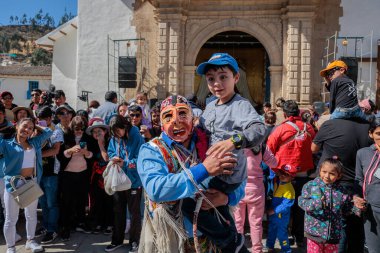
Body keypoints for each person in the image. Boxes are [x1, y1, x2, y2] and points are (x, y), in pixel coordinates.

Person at [137, 95, 246, 253]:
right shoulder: (151, 150)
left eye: (182, 113)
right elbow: (157, 189)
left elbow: (239, 179)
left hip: (210, 237)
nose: (176, 120)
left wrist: (226, 198)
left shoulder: (211, 144)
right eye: (168, 116)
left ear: (193, 118)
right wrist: (204, 170)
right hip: (171, 239)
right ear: (160, 124)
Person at [184, 53, 265, 253]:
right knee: (218, 214)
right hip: (212, 170)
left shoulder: (240, 105)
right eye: (211, 79)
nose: (217, 83)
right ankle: (235, 245)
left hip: (227, 174)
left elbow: (258, 129)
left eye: (223, 77)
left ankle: (230, 242)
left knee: (189, 205)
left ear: (236, 78)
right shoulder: (211, 104)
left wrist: (233, 141)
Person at [311, 118, 372, 253]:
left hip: (341, 184)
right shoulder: (367, 125)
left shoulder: (329, 124)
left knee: (342, 227)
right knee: (355, 227)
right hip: (358, 182)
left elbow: (313, 148)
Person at [267, 99, 316, 247]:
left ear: (285, 114)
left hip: (283, 175)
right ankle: (299, 236)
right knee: (300, 207)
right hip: (303, 173)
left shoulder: (280, 129)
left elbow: (269, 149)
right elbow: (315, 147)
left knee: (282, 204)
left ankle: (284, 233)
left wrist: (275, 171)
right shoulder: (309, 129)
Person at [1, 118, 52, 253]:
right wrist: (7, 128)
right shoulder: (6, 144)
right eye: (24, 127)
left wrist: (35, 126)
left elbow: (48, 131)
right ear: (17, 126)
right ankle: (11, 247)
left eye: (30, 128)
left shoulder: (34, 142)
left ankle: (30, 241)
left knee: (31, 214)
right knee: (11, 218)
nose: (27, 130)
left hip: (31, 182)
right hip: (13, 184)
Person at [299, 158, 359, 253]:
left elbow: (347, 209)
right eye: (324, 171)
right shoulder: (311, 186)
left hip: (333, 235)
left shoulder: (342, 191)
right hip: (314, 234)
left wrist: (357, 208)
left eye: (332, 174)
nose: (327, 176)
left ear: (338, 176)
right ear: (320, 171)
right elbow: (302, 202)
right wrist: (316, 203)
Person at [106, 115, 144, 252]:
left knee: (134, 213)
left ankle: (135, 241)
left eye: (118, 131)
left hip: (133, 180)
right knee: (118, 210)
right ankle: (117, 240)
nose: (117, 135)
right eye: (114, 133)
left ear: (124, 126)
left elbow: (141, 159)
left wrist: (126, 163)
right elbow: (110, 150)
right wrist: (113, 158)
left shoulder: (136, 136)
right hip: (118, 178)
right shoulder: (114, 137)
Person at [233, 145, 277, 253]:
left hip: (237, 188)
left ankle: (238, 249)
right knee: (256, 223)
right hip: (256, 189)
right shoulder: (260, 145)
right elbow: (274, 163)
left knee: (238, 222)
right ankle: (257, 250)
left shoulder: (234, 143)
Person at [57, 116, 93, 241]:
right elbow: (60, 154)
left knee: (81, 200)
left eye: (82, 129)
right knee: (66, 201)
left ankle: (80, 223)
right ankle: (65, 227)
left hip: (82, 173)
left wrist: (86, 153)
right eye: (77, 129)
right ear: (72, 128)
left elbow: (92, 155)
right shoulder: (66, 137)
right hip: (68, 174)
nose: (79, 131)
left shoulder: (88, 138)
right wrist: (70, 150)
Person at [35, 106, 64, 244]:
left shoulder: (56, 131)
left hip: (52, 172)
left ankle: (52, 230)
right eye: (38, 119)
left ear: (49, 118)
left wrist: (37, 155)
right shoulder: (36, 130)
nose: (40, 122)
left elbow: (56, 150)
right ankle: (46, 226)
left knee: (51, 202)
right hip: (38, 171)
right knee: (43, 202)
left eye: (43, 120)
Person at [354, 117, 380, 253]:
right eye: (378, 134)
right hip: (370, 211)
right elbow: (358, 179)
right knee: (374, 249)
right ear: (371, 134)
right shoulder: (363, 153)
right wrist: (356, 197)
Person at [86, 117, 113, 235]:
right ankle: (98, 223)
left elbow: (107, 158)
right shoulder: (90, 143)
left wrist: (101, 145)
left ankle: (109, 224)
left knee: (108, 200)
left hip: (108, 176)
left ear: (105, 131)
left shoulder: (111, 142)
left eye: (99, 131)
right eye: (94, 132)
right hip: (96, 177)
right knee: (97, 201)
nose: (97, 134)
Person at [265, 169, 295, 253]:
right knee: (271, 230)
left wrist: (274, 210)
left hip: (281, 216)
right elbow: (272, 172)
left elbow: (286, 205)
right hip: (274, 214)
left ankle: (286, 250)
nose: (283, 175)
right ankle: (270, 246)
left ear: (292, 177)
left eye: (286, 174)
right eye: (281, 173)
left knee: (282, 234)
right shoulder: (278, 182)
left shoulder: (289, 189)